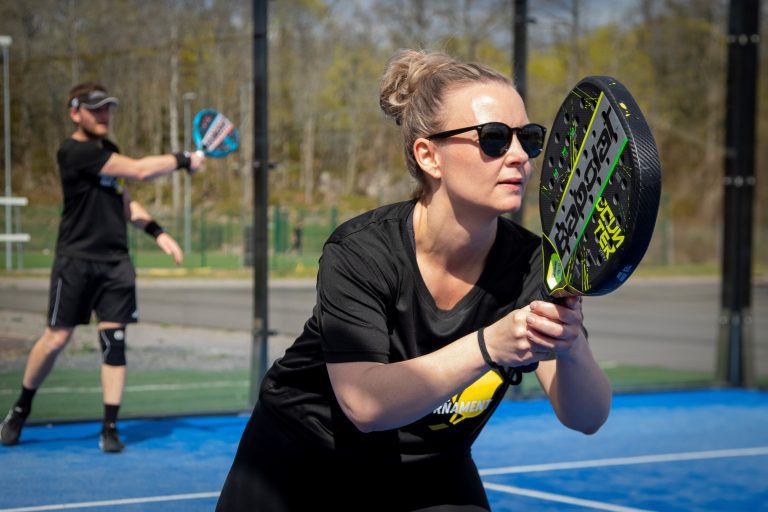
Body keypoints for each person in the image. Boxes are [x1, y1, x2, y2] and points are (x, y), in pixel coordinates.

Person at [215, 49, 611, 511]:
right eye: (494, 139)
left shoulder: (534, 265)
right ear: (429, 155)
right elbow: (365, 406)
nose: (520, 156)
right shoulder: (362, 252)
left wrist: (571, 346)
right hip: (302, 463)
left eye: (530, 138)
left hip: (431, 465)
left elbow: (586, 417)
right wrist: (489, 346)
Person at [0, 82, 204, 453]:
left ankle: (110, 427)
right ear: (74, 112)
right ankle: (20, 409)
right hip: (76, 261)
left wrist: (158, 232)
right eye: (95, 109)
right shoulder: (73, 152)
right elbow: (142, 170)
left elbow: (126, 201)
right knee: (56, 339)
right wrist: (184, 158)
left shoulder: (110, 151)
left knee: (115, 343)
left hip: (116, 264)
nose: (104, 115)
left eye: (107, 108)